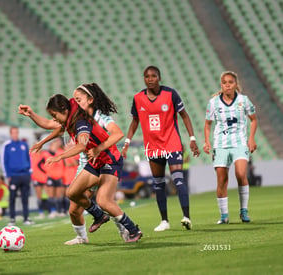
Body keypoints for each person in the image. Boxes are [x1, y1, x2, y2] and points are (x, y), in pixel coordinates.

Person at [19, 83, 132, 244]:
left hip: (103, 161)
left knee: (104, 201)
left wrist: (98, 149)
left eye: (78, 99)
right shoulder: (75, 116)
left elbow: (116, 134)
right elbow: (52, 125)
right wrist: (31, 114)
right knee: (74, 209)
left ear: (90, 100)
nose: (75, 102)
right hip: (85, 163)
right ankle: (82, 237)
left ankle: (124, 228)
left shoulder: (100, 118)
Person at [122, 65, 200, 232]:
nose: (150, 79)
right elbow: (135, 121)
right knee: (158, 184)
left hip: (172, 142)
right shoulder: (138, 98)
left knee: (178, 179)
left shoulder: (170, 94)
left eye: (153, 76)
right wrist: (127, 141)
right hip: (153, 146)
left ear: (159, 77)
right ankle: (164, 221)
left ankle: (186, 217)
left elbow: (184, 115)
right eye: (147, 76)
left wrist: (192, 138)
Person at [203, 71, 257, 224]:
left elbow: (253, 120)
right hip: (221, 145)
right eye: (225, 82)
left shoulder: (243, 100)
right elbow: (207, 124)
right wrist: (207, 142)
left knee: (240, 174)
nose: (227, 85)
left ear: (235, 84)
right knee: (222, 180)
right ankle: (224, 215)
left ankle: (244, 211)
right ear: (221, 85)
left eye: (230, 82)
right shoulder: (213, 102)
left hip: (240, 143)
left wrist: (251, 139)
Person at [0, 126, 34, 226]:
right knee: (12, 198)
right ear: (10, 134)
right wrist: (7, 175)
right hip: (13, 175)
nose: (15, 134)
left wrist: (29, 171)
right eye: (13, 133)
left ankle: (26, 218)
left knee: (25, 197)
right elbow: (4, 161)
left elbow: (29, 159)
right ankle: (12, 219)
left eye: (16, 132)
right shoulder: (7, 146)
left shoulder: (24, 144)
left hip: (25, 175)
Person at [42, 138, 65, 218]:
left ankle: (59, 210)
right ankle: (52, 211)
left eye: (59, 141)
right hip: (50, 177)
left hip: (59, 177)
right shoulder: (46, 153)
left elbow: (65, 164)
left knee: (59, 196)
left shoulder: (61, 152)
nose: (58, 143)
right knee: (51, 196)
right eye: (57, 141)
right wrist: (46, 173)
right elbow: (39, 164)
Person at [30, 148, 49, 219]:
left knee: (49, 195)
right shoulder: (32, 155)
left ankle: (53, 210)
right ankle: (41, 212)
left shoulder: (45, 154)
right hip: (36, 178)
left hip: (45, 177)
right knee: (39, 196)